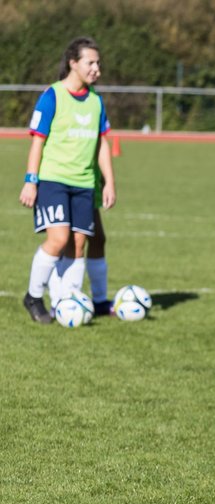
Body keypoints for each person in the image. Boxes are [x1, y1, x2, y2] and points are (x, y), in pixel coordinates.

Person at [19, 36, 115, 324]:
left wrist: (109, 181)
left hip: (85, 183)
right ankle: (34, 296)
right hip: (53, 180)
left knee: (78, 243)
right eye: (91, 62)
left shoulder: (96, 101)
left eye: (98, 62)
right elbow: (38, 141)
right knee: (58, 239)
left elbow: (102, 143)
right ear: (73, 63)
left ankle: (67, 300)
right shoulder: (53, 96)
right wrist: (30, 180)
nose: (96, 68)